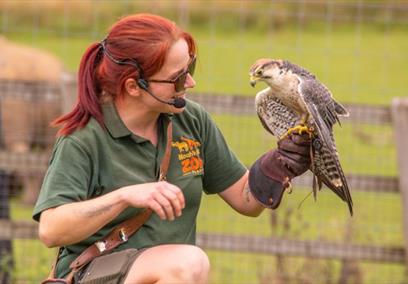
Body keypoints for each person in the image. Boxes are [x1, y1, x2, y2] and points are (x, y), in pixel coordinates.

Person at [33, 13, 311, 284]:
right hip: (94, 275)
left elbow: (245, 199)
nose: (191, 83)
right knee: (188, 264)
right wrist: (125, 197)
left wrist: (278, 163)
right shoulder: (84, 140)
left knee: (185, 264)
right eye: (178, 78)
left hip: (170, 273)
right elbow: (51, 229)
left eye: (191, 68)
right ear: (133, 86)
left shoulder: (191, 120)